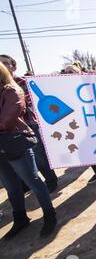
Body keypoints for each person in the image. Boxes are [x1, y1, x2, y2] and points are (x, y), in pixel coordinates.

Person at [0, 62, 57, 239]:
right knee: (11, 186)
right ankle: (20, 218)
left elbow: (7, 120)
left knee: (33, 181)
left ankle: (49, 215)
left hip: (15, 143)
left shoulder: (12, 91)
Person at [0, 54, 58, 192]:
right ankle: (26, 184)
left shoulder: (23, 83)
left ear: (13, 66)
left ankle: (51, 180)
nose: (3, 66)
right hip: (9, 132)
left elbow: (26, 103)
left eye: (5, 63)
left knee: (40, 157)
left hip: (29, 125)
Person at [63, 62, 96, 184]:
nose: (68, 74)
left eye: (71, 71)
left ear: (79, 71)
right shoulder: (63, 87)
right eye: (66, 72)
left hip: (94, 121)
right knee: (87, 150)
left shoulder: (89, 82)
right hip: (79, 123)